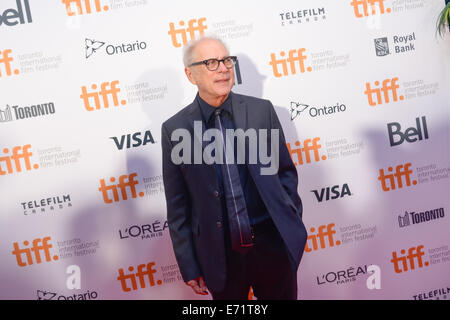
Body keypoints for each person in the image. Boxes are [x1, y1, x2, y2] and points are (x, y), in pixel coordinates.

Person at [161, 36, 307, 300]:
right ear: (190, 75)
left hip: (272, 244)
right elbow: (178, 206)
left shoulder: (261, 111)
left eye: (227, 60)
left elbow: (286, 174)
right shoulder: (175, 129)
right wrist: (189, 264)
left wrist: (290, 223)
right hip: (220, 254)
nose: (224, 68)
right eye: (211, 62)